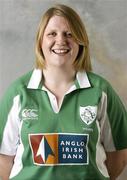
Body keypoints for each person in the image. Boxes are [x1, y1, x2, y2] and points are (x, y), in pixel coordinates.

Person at [0, 4, 127, 180]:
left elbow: (118, 156)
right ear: (40, 41)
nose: (61, 41)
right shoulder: (18, 93)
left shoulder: (101, 91)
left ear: (80, 40)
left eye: (69, 34)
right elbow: (4, 159)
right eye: (52, 34)